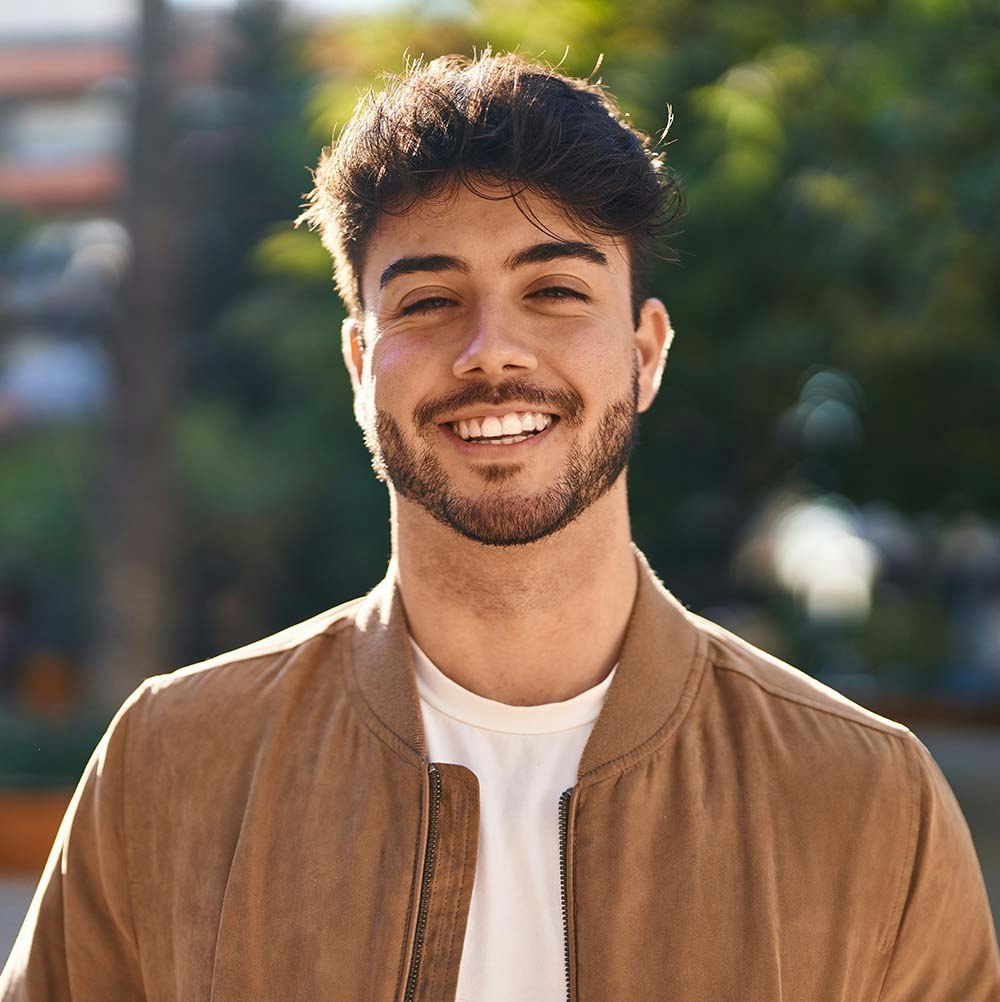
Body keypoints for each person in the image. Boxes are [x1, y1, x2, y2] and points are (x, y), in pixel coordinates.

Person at [2, 51, 998, 1002]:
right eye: (431, 301)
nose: (492, 353)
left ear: (645, 354)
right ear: (360, 365)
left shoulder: (865, 801)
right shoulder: (172, 765)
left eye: (554, 291)